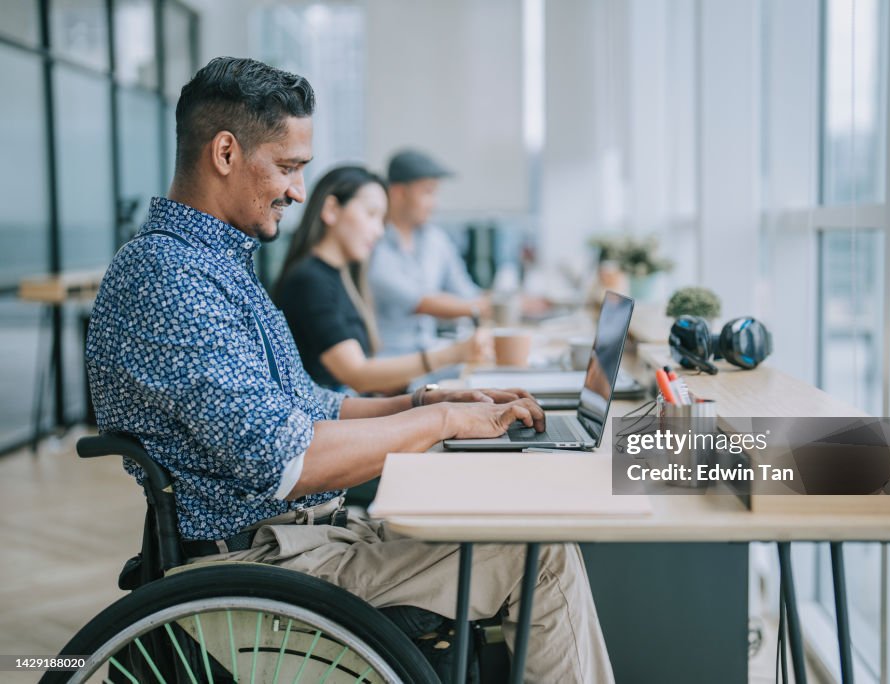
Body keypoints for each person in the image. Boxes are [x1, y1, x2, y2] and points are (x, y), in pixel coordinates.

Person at [85, 56, 614, 683]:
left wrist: (429, 404)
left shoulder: (215, 266)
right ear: (225, 153)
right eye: (287, 167)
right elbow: (289, 460)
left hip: (302, 543)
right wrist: (445, 419)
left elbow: (315, 406)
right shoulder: (171, 279)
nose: (298, 191)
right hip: (263, 571)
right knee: (540, 554)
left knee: (515, 529)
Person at [274, 165, 492, 395]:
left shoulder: (342, 275)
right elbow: (358, 375)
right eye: (371, 214)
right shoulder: (310, 281)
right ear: (331, 210)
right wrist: (452, 354)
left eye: (382, 220)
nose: (379, 231)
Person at [368, 149, 492, 356]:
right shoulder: (374, 244)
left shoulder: (435, 239)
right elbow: (421, 302)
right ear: (399, 193)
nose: (435, 203)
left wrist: (501, 302)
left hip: (430, 349)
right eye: (427, 192)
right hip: (390, 362)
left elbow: (466, 292)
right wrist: (491, 306)